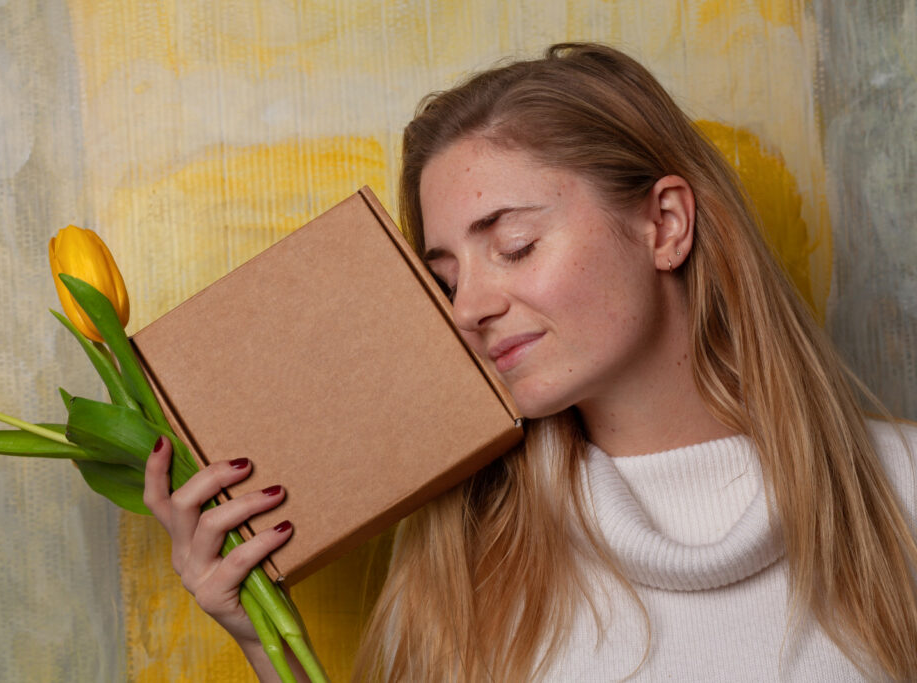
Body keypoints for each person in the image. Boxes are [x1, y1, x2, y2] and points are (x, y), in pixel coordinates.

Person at [143, 43, 917, 681]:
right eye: (445, 277)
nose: (466, 307)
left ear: (665, 223)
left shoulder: (902, 491)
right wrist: (263, 641)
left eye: (513, 246)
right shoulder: (465, 564)